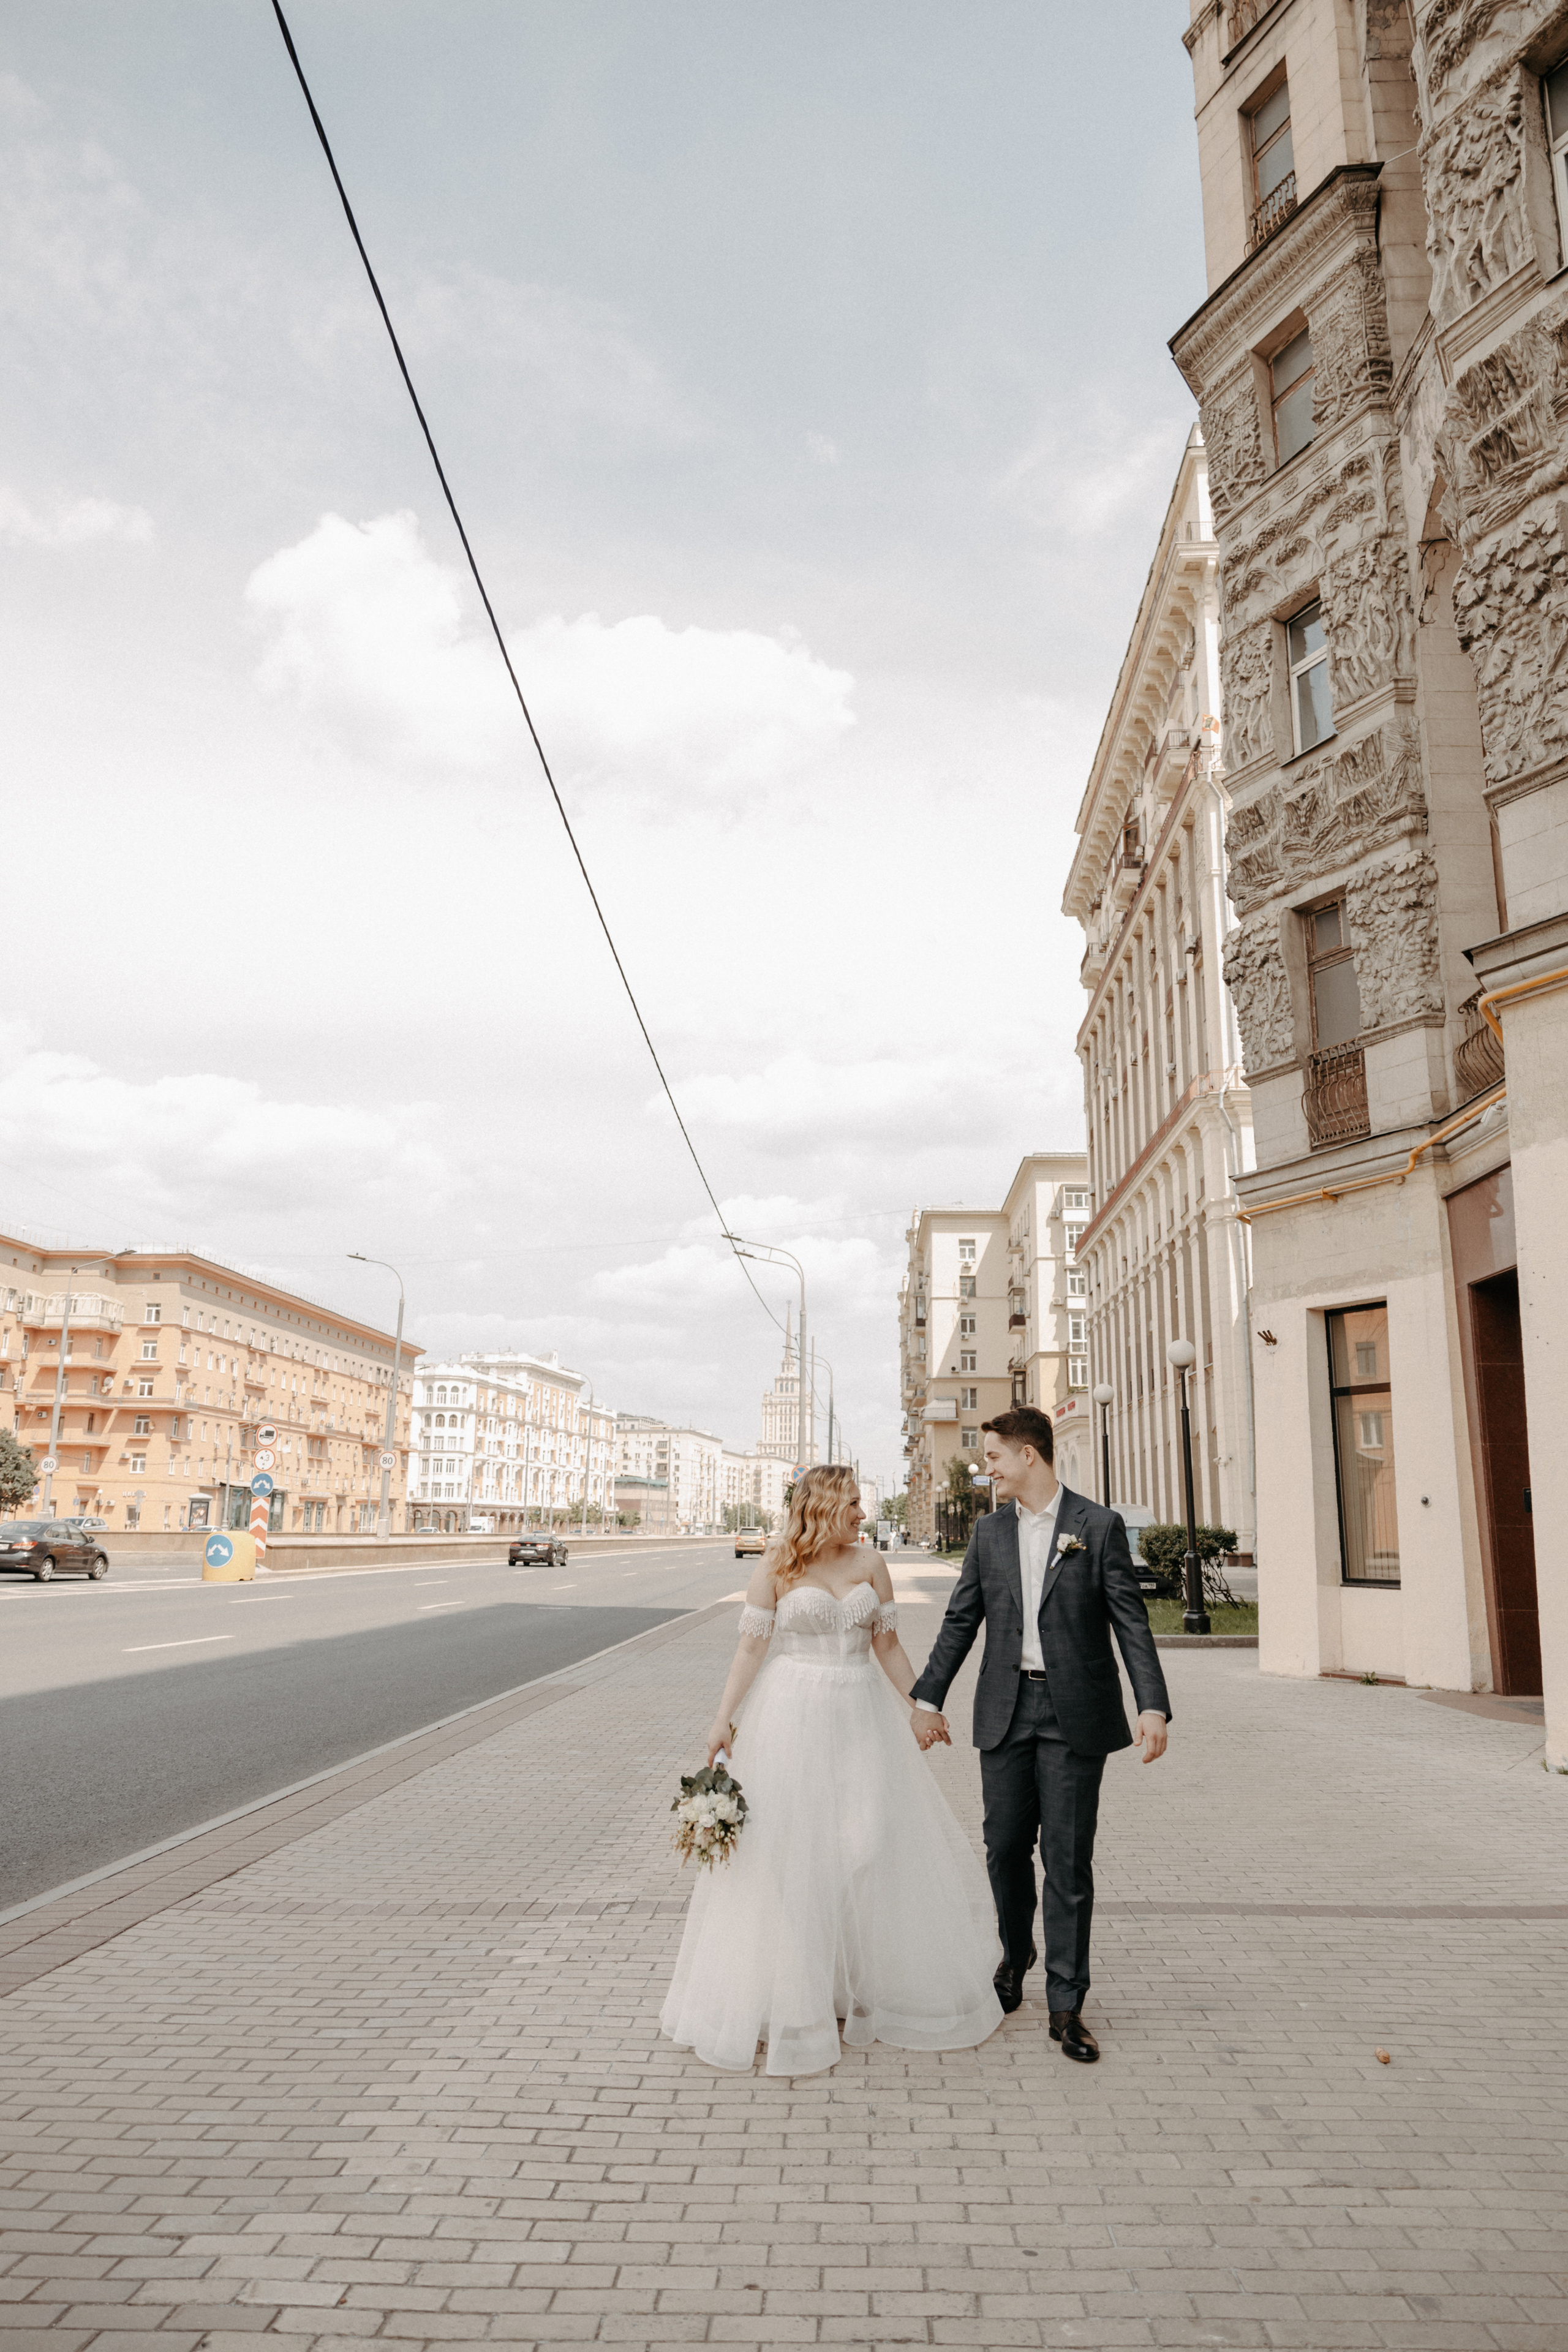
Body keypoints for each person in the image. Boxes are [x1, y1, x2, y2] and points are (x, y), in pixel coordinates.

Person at [660, 1463, 1003, 2075]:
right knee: (796, 1855)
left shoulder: (871, 1564)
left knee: (864, 1843)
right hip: (793, 1714)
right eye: (851, 1504)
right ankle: (800, 1991)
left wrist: (921, 1709)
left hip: (861, 1714)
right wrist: (721, 1720)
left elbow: (888, 1647)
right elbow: (749, 1648)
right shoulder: (777, 1563)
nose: (861, 1515)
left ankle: (852, 1979)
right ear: (820, 1505)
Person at [910, 1407, 1170, 2064]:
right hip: (1004, 1707)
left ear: (1029, 1455)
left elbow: (1129, 1623)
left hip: (1074, 1711)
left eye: (993, 1456)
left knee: (1067, 1859)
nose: (986, 1467)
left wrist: (1153, 1706)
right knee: (1002, 1847)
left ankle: (1066, 2004)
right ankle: (1014, 1949)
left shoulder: (1096, 1525)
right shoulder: (989, 1533)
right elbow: (960, 1619)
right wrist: (926, 1697)